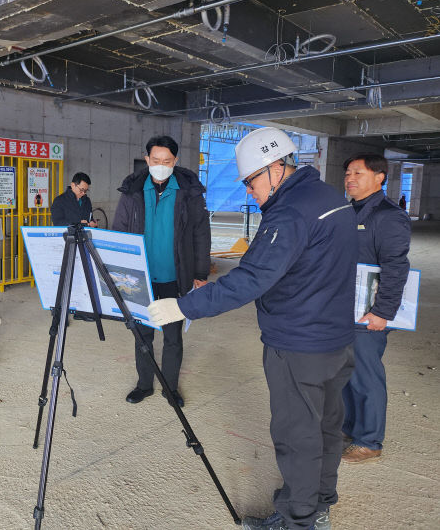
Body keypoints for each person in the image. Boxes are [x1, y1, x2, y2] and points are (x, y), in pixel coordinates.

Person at [148, 127, 357, 530]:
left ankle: (298, 521)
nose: (248, 191)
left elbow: (249, 280)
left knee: (297, 437)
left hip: (299, 345)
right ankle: (319, 503)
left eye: (251, 181)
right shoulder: (330, 197)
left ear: (277, 168)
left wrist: (182, 306)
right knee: (327, 427)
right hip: (335, 341)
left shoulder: (290, 214)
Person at [113, 135, 211, 408]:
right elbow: (119, 232)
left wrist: (201, 273)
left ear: (175, 161)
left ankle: (170, 388)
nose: (161, 165)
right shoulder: (132, 191)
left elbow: (201, 233)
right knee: (142, 334)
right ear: (147, 159)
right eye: (155, 160)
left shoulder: (189, 192)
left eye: (167, 161)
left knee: (172, 337)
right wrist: (119, 271)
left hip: (174, 277)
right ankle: (144, 385)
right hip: (139, 277)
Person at [341, 154, 411, 463]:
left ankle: (369, 441)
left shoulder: (388, 216)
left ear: (379, 177)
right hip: (344, 309)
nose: (350, 177)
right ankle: (350, 427)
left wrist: (383, 312)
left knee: (366, 375)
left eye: (358, 172)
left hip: (369, 312)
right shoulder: (349, 211)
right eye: (347, 172)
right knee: (345, 372)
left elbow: (395, 268)